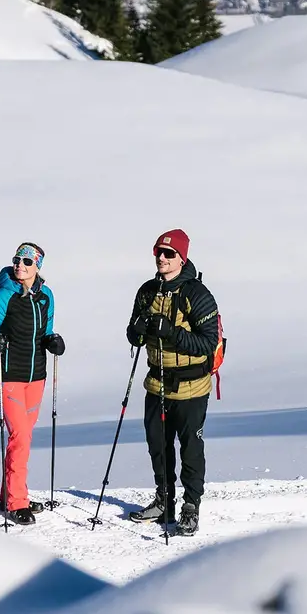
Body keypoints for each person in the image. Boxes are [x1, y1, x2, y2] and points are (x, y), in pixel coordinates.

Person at [124, 228, 219, 535]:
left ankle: (191, 507)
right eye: (159, 253)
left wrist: (171, 333)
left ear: (182, 257)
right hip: (157, 382)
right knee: (158, 445)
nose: (162, 258)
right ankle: (164, 500)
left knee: (191, 449)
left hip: (192, 387)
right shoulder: (147, 291)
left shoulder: (197, 294)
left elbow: (208, 342)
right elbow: (133, 335)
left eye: (169, 254)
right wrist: (137, 331)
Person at [0, 241, 64, 524]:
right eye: (17, 260)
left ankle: (11, 495)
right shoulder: (1, 297)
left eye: (27, 262)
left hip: (36, 377)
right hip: (8, 376)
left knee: (22, 440)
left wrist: (52, 341)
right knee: (21, 437)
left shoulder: (45, 296)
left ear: (37, 266)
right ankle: (17, 503)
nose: (20, 266)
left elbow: (46, 330)